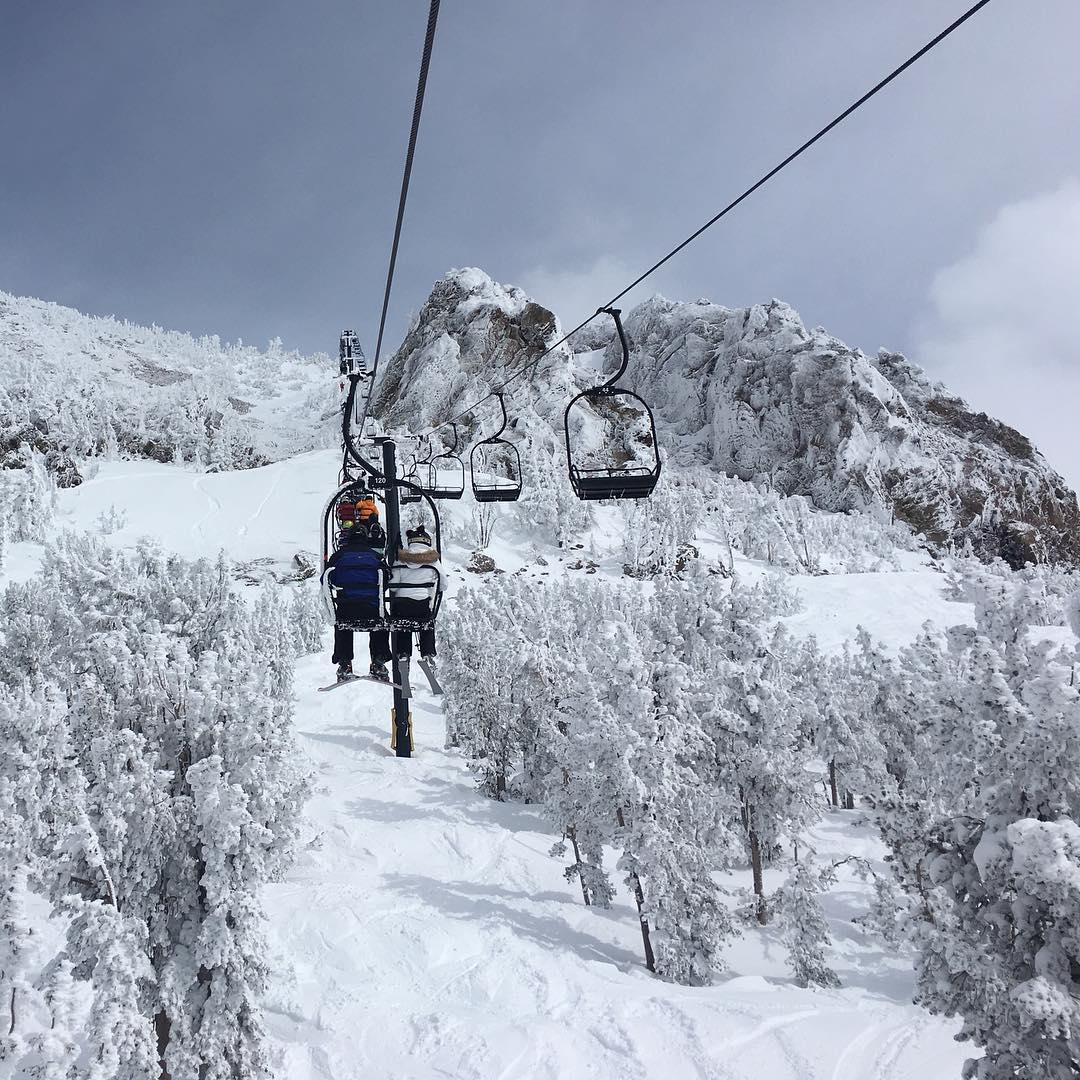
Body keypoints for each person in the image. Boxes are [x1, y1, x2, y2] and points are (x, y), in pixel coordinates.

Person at [322, 505, 392, 682]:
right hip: (372, 609)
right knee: (382, 620)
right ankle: (378, 660)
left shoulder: (339, 556)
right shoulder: (375, 558)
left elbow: (328, 579)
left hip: (347, 609)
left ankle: (344, 663)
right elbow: (386, 579)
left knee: (342, 621)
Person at [389, 525, 446, 663]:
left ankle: (403, 653)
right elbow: (443, 584)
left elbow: (393, 587)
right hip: (422, 605)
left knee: (402, 624)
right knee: (427, 622)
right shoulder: (434, 561)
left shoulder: (399, 559)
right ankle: (427, 653)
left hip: (402, 606)